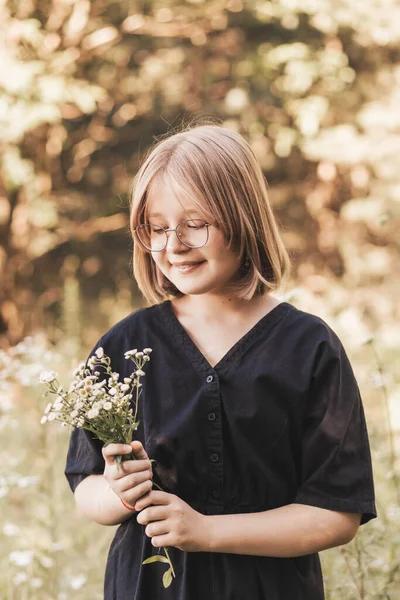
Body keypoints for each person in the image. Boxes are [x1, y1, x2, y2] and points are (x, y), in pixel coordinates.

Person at [65, 123, 376, 600]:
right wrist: (119, 492)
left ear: (243, 216)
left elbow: (335, 516)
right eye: (157, 227)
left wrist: (206, 531)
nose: (173, 245)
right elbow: (87, 486)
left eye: (195, 223)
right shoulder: (121, 348)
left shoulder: (310, 347)